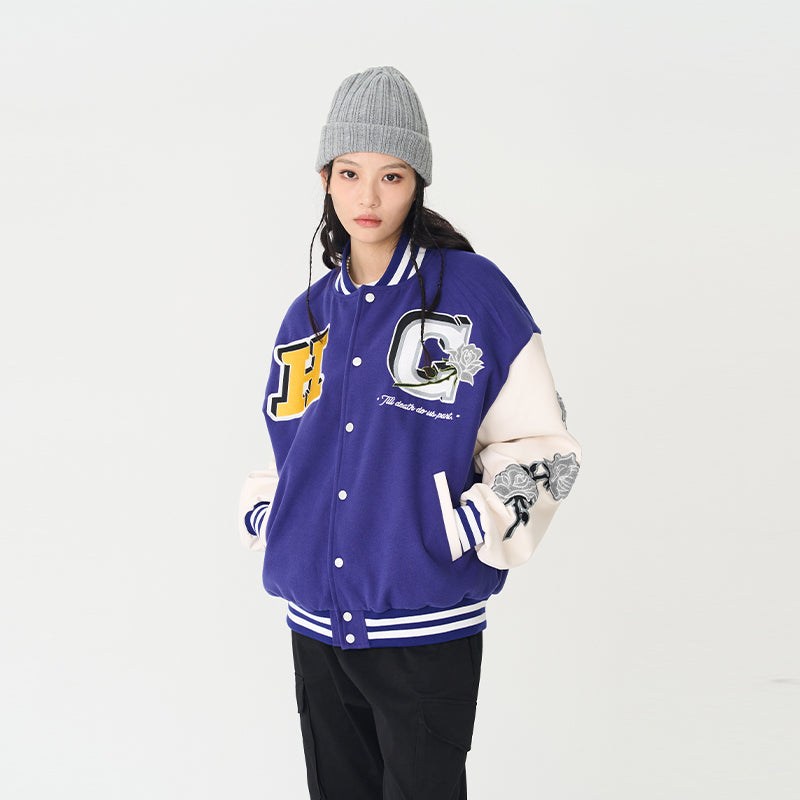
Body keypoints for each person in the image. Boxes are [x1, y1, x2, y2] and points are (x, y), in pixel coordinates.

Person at [239, 65, 581, 800]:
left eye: (391, 176)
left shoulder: (471, 295)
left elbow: (548, 449)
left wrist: (467, 525)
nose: (368, 198)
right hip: (315, 628)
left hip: (426, 628)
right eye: (350, 173)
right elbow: (290, 456)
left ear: (417, 183)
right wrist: (276, 520)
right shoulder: (307, 316)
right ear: (325, 180)